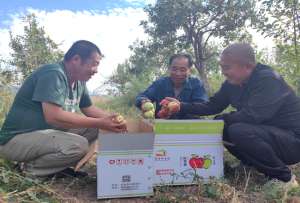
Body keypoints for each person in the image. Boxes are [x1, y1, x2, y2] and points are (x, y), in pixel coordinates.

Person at [166, 43, 300, 185]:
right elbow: (212, 105)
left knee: (237, 129)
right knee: (222, 127)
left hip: (292, 141)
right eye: (222, 67)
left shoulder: (268, 79)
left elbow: (252, 116)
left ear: (247, 66)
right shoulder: (232, 83)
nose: (223, 72)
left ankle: (284, 178)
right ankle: (251, 164)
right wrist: (181, 106)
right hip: (267, 134)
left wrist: (221, 120)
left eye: (227, 67)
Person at [0, 40, 127, 177]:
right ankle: (28, 169)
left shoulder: (79, 82)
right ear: (76, 59)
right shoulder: (53, 74)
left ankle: (55, 166)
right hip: (15, 140)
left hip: (44, 135)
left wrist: (112, 120)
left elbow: (89, 108)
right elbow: (53, 116)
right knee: (79, 145)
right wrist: (100, 122)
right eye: (94, 64)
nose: (96, 70)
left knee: (96, 128)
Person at [135, 53, 208, 119]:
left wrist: (180, 106)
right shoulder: (160, 83)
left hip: (190, 128)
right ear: (169, 68)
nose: (178, 73)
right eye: (174, 69)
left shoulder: (196, 84)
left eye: (183, 70)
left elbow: (202, 107)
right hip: (163, 128)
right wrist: (143, 101)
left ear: (189, 70)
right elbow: (141, 97)